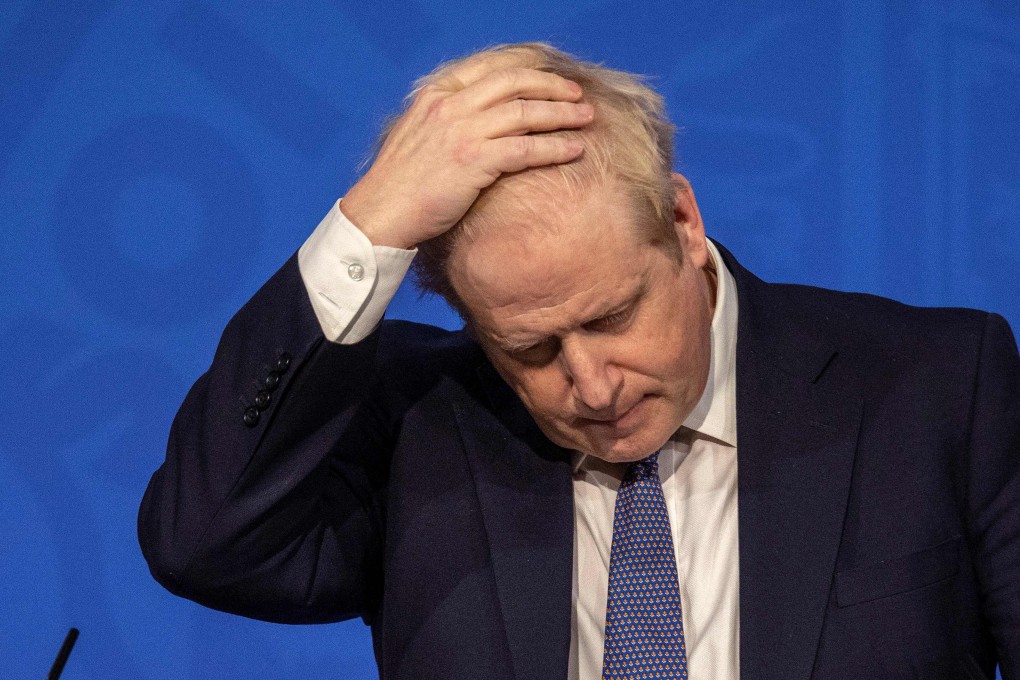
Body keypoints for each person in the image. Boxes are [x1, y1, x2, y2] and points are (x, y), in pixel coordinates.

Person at [138, 43, 1020, 679]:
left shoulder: (939, 385)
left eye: (614, 314)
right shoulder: (418, 430)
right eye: (531, 348)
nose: (593, 385)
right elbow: (204, 543)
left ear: (682, 223)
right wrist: (368, 225)